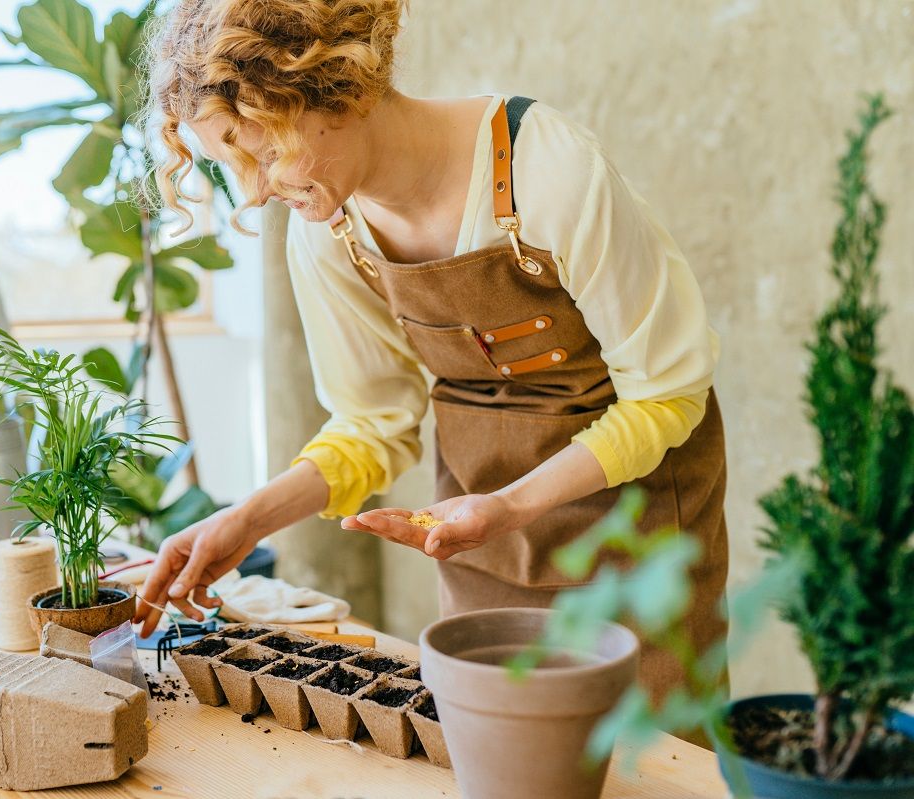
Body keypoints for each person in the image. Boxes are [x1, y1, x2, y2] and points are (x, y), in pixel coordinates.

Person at [132, 0, 728, 713]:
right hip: (484, 542)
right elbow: (373, 422)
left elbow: (666, 394)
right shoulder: (329, 233)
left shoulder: (544, 170)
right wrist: (246, 519)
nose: (255, 191)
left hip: (642, 540)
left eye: (262, 151)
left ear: (337, 89)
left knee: (650, 766)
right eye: (232, 164)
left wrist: (511, 504)